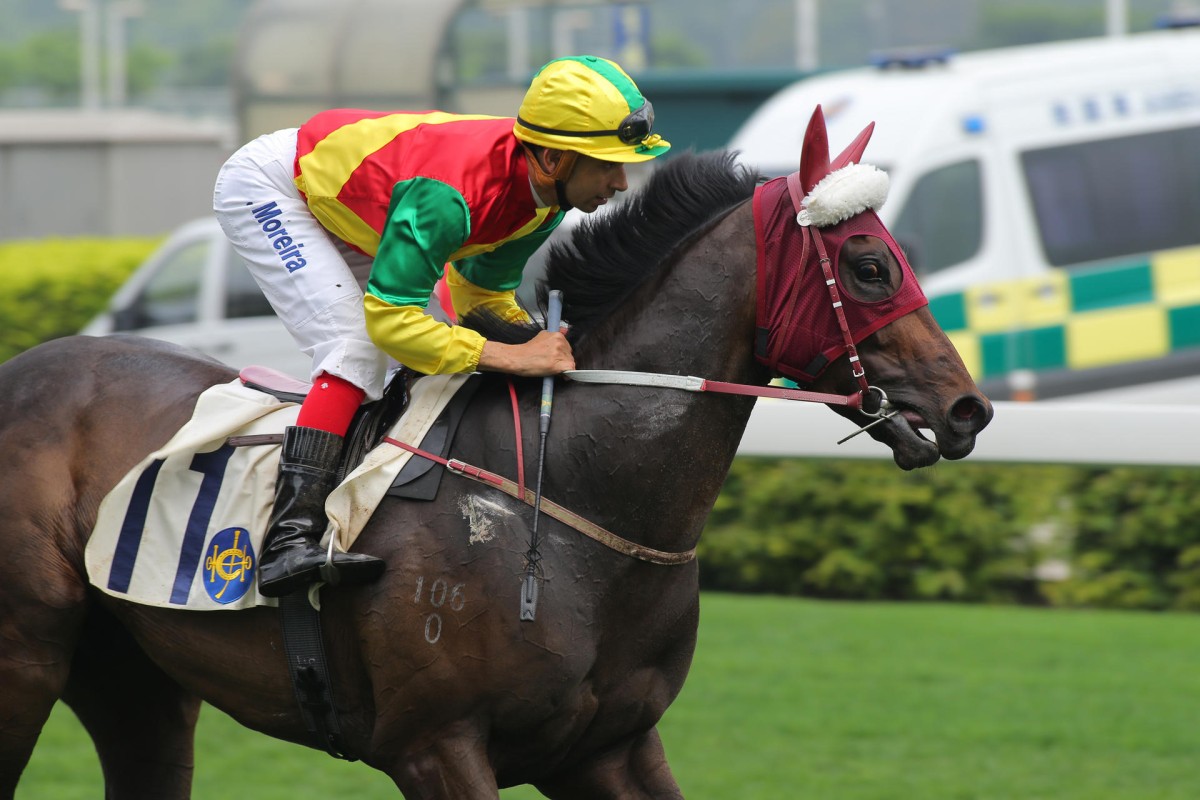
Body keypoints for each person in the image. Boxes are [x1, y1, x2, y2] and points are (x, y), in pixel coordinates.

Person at [212, 55, 671, 598]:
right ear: (551, 157)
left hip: (362, 200)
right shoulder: (447, 198)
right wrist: (511, 357)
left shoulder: (545, 197)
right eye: (607, 164)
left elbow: (482, 294)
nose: (621, 182)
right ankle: (288, 541)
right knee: (356, 349)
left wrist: (544, 342)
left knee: (415, 358)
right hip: (276, 189)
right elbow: (392, 322)